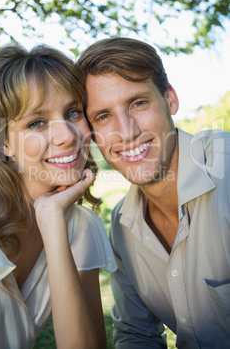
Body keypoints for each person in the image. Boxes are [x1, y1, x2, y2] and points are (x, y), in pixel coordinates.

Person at [77, 37, 230, 348]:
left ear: (170, 99)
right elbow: (136, 335)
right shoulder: (121, 224)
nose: (127, 131)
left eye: (138, 103)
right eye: (103, 116)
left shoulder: (225, 172)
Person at [0, 44, 117, 349]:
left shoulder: (81, 226)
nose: (67, 136)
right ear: (3, 142)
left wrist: (50, 218)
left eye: (72, 112)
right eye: (37, 122)